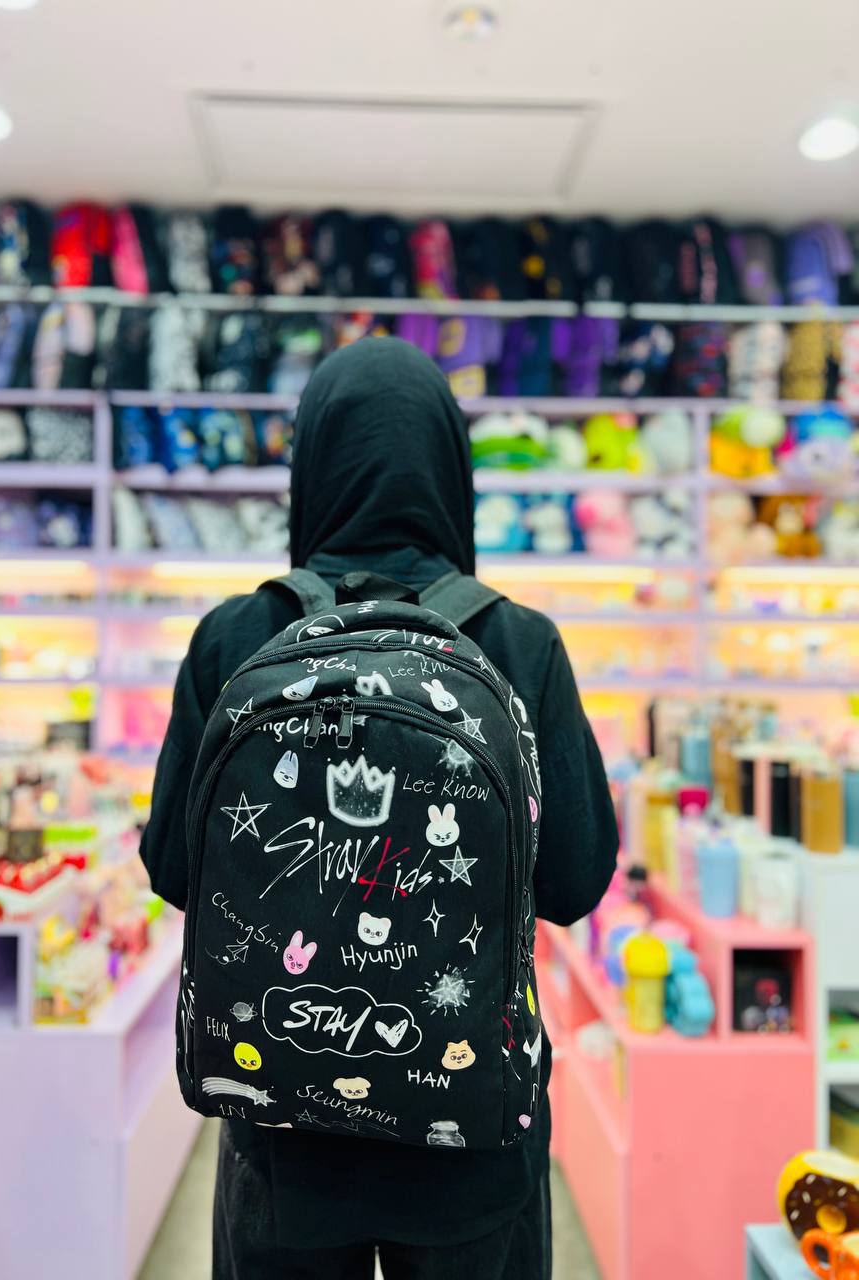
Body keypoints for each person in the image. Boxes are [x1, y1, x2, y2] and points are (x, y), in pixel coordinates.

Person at [140, 337, 618, 1280]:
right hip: (472, 1135)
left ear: (312, 464)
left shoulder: (237, 638)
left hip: (282, 1131)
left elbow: (173, 871)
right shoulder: (520, 644)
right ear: (450, 467)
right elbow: (576, 882)